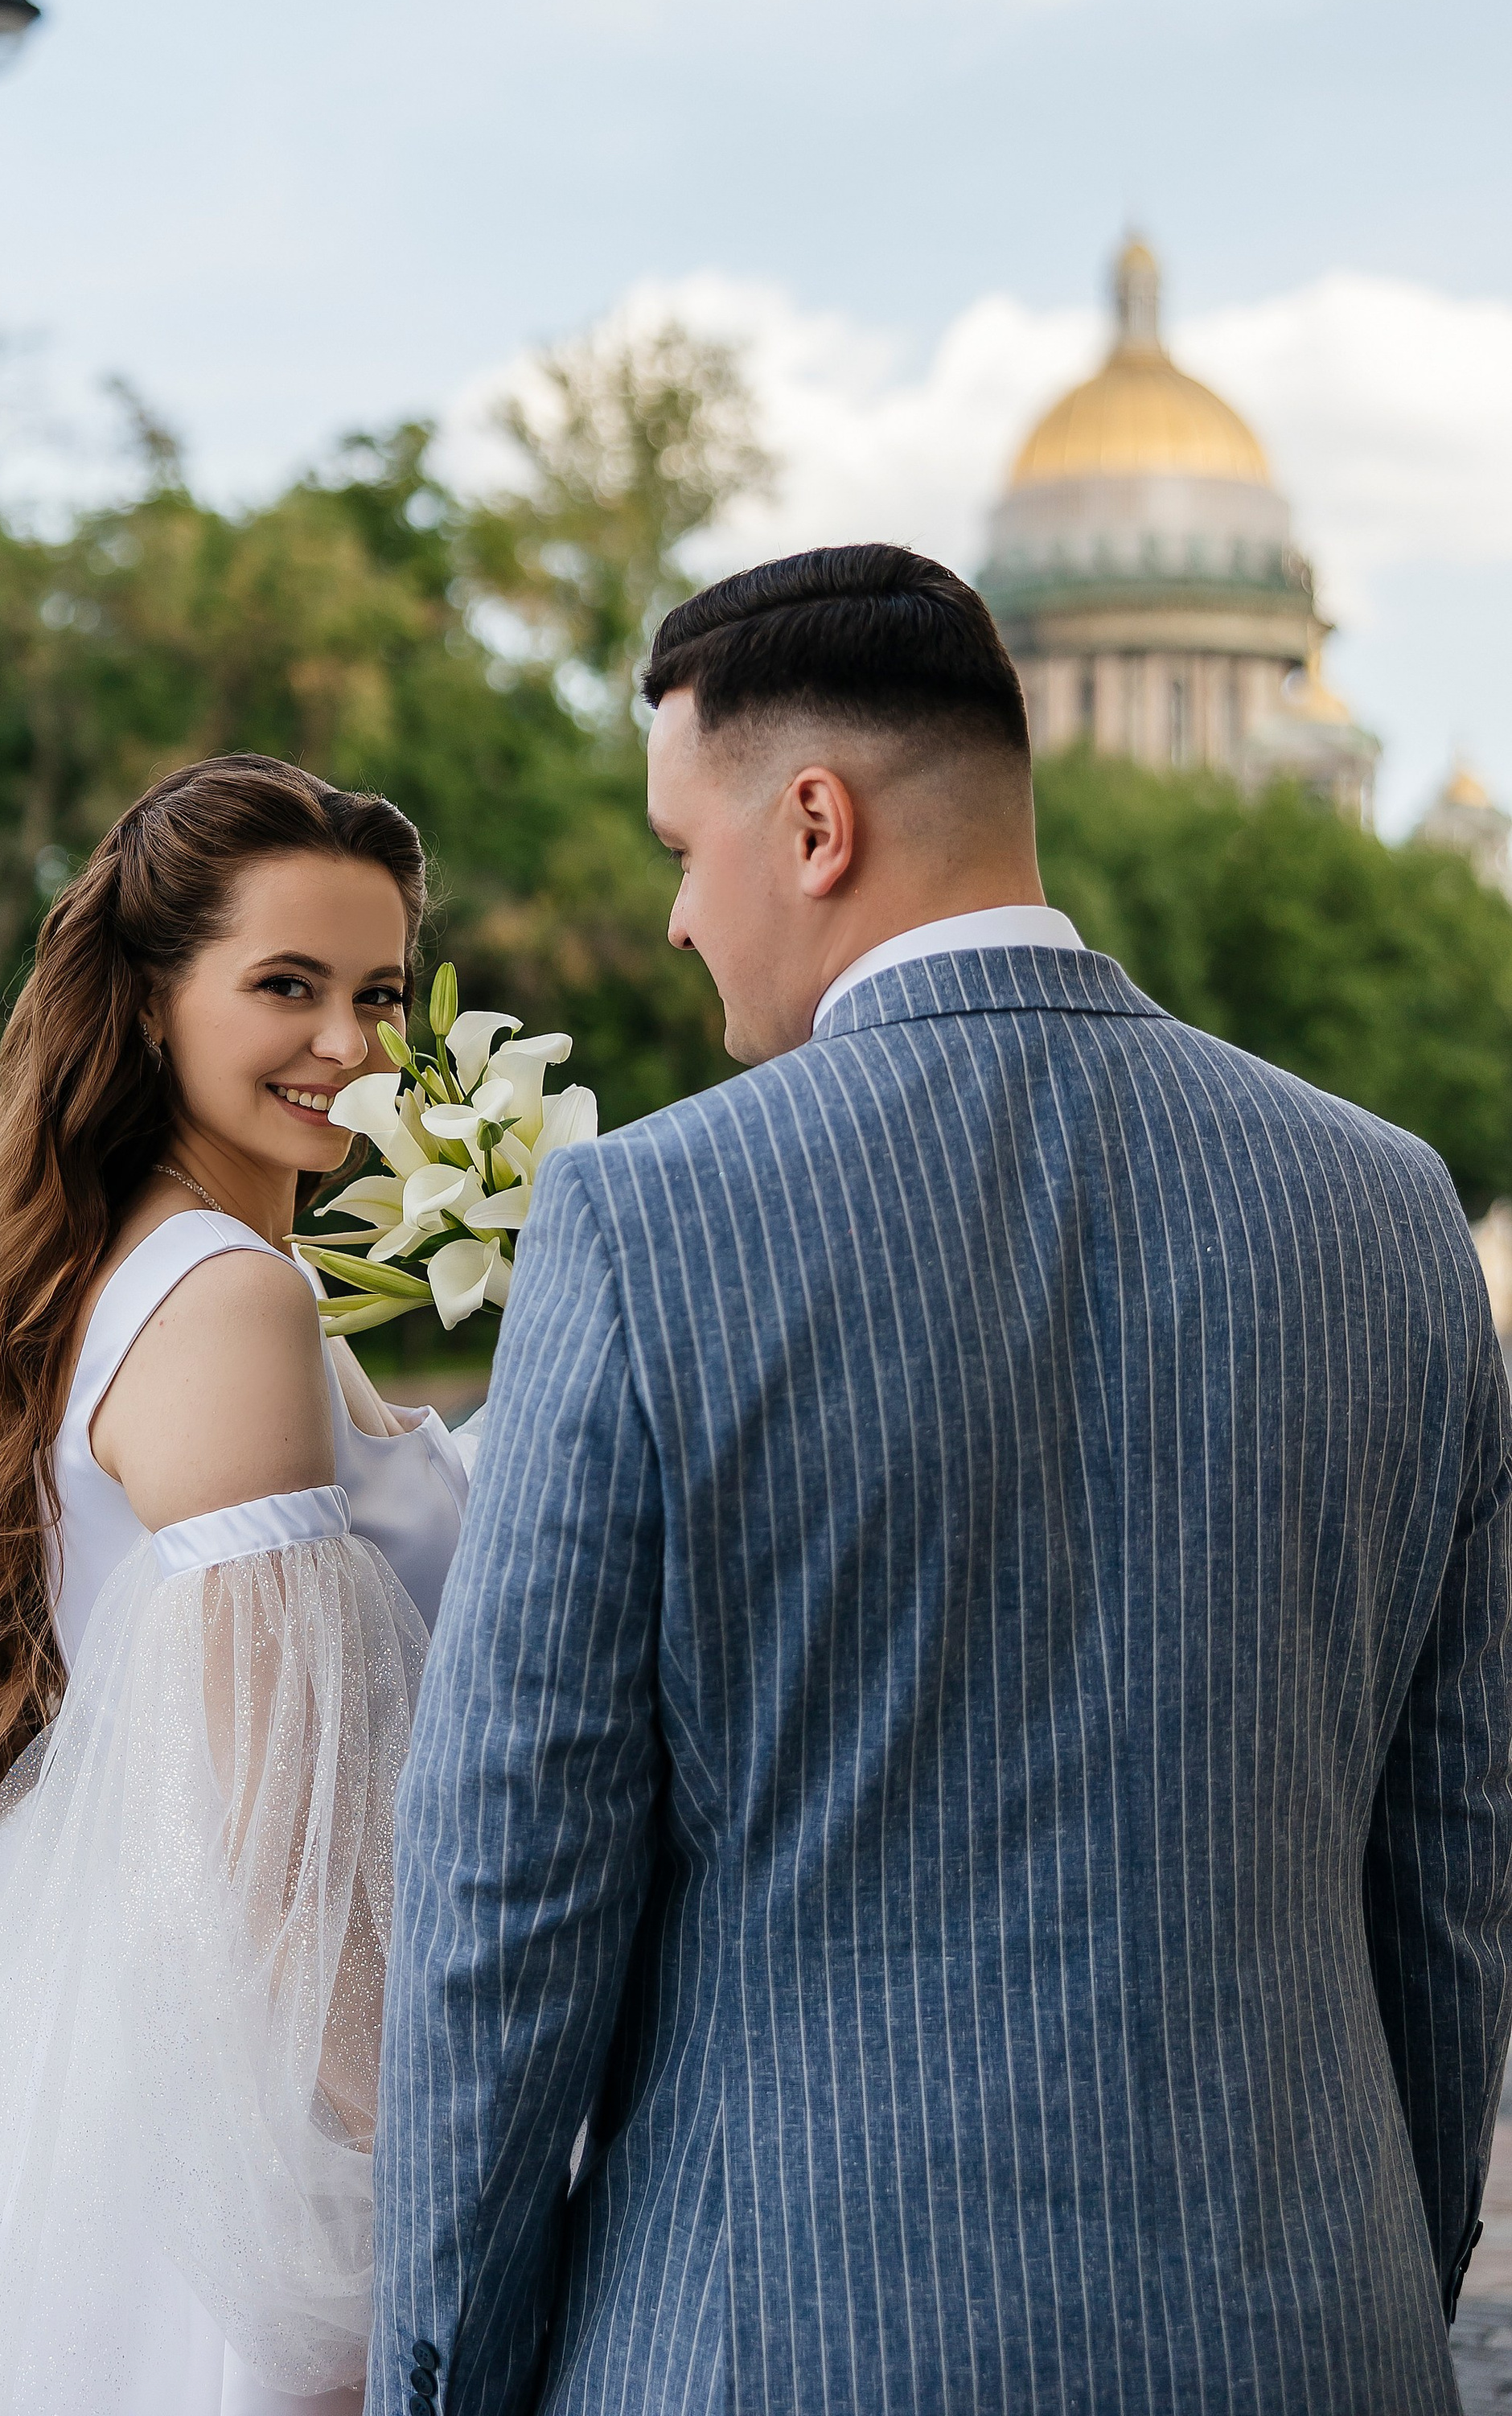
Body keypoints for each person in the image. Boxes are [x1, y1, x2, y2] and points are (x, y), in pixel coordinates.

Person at [371, 544, 1512, 2415]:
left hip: (785, 2340)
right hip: (1306, 2335)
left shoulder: (647, 1221)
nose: (674, 919)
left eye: (681, 849)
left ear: (812, 821)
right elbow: (1450, 1865)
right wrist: (1383, 2278)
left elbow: (510, 1898)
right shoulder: (1386, 1207)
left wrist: (444, 2381)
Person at [0, 754, 470, 2416]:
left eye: (378, 993)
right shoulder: (226, 1303)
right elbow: (275, 1841)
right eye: (283, 986)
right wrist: (445, 2161)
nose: (349, 1047)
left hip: (153, 2086)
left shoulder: (166, 1266)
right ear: (151, 1005)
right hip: (260, 2129)